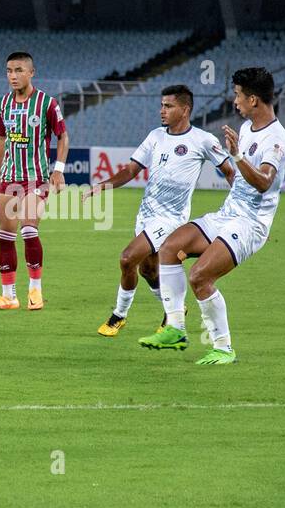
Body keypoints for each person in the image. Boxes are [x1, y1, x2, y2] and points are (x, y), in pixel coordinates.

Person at [137, 67, 285, 365]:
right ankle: (176, 328)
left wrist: (237, 156)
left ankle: (223, 347)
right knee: (168, 248)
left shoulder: (277, 138)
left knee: (199, 276)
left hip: (249, 224)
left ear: (254, 100)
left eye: (238, 96)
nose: (235, 102)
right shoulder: (247, 129)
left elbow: (263, 181)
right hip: (227, 214)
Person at [88, 85, 234, 337]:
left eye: (168, 106)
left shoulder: (202, 140)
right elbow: (131, 170)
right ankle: (173, 311)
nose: (162, 111)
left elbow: (230, 171)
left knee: (126, 258)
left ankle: (118, 316)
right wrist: (103, 185)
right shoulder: (155, 136)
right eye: (162, 105)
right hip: (146, 214)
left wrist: (238, 206)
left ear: (185, 109)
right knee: (148, 270)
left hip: (171, 219)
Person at [0, 52, 69, 311]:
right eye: (9, 70)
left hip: (36, 178)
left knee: (29, 230)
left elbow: (63, 136)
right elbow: (0, 139)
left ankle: (35, 291)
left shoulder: (46, 103)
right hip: (8, 178)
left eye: (19, 70)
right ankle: (8, 296)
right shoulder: (2, 103)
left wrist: (59, 170)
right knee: (5, 236)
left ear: (31, 73)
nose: (13, 75)